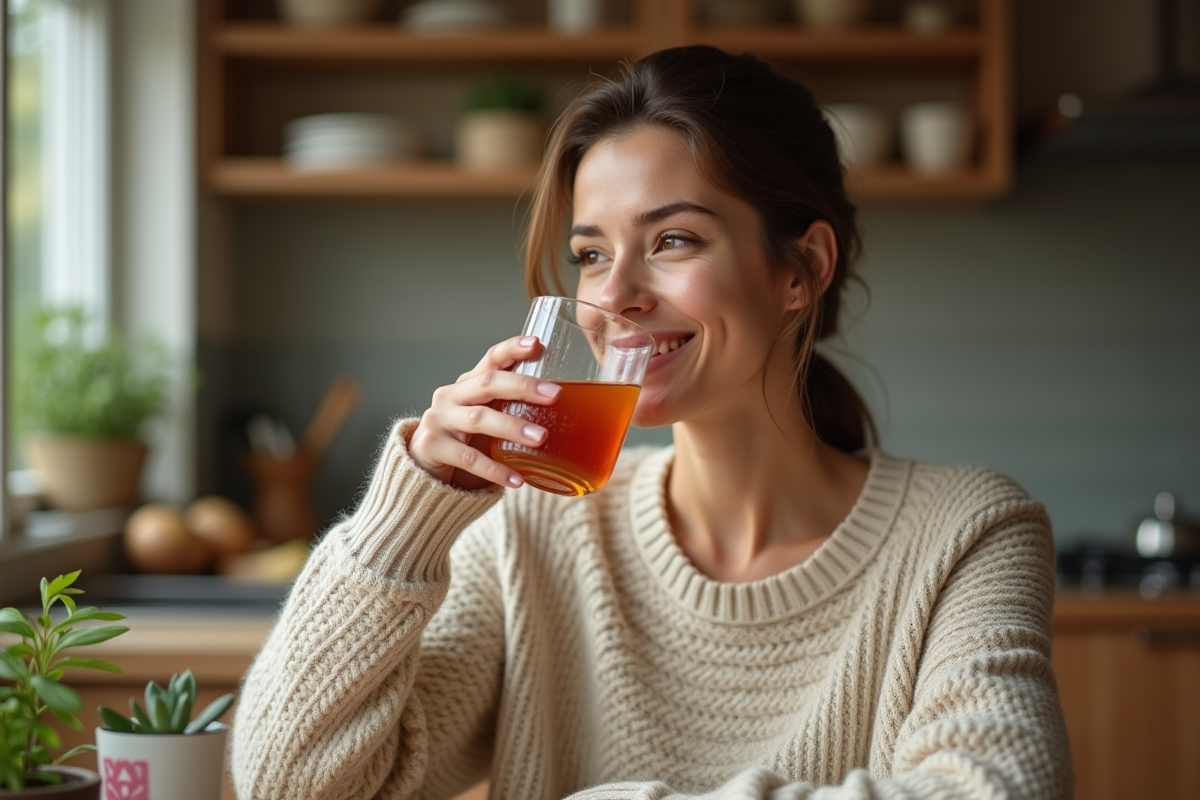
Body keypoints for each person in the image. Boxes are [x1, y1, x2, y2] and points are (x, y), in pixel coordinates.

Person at [230, 46, 1072, 800]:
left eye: (673, 240)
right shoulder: (532, 531)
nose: (615, 297)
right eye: (591, 254)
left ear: (802, 269)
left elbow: (999, 790)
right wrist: (404, 522)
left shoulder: (965, 533)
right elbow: (291, 787)